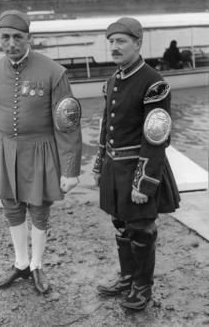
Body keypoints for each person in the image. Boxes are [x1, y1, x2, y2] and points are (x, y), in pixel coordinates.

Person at [0, 10, 82, 294]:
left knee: (39, 209)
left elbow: (68, 125)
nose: (11, 43)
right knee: (11, 207)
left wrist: (70, 170)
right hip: (4, 149)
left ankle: (36, 265)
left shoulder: (54, 72)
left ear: (29, 38)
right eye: (5, 37)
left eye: (18, 37)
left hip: (41, 150)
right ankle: (20, 263)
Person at [93, 17, 180, 310]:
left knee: (142, 229)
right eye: (112, 42)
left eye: (121, 41)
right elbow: (106, 127)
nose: (114, 47)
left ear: (137, 44)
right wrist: (98, 165)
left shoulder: (154, 83)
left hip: (138, 168)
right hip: (114, 167)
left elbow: (156, 138)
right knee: (120, 223)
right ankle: (128, 277)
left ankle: (143, 288)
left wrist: (144, 183)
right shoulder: (112, 80)